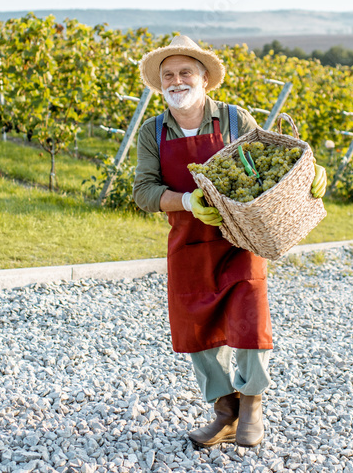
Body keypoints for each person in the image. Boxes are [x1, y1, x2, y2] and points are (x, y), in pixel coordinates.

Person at [133, 35, 327, 448]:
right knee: (196, 330)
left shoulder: (235, 120)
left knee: (251, 323)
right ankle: (225, 412)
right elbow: (143, 191)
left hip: (241, 240)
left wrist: (310, 175)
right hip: (188, 242)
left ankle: (252, 406)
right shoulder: (153, 132)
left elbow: (268, 169)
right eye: (169, 74)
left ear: (204, 78)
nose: (177, 80)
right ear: (160, 83)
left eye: (186, 71)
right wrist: (185, 199)